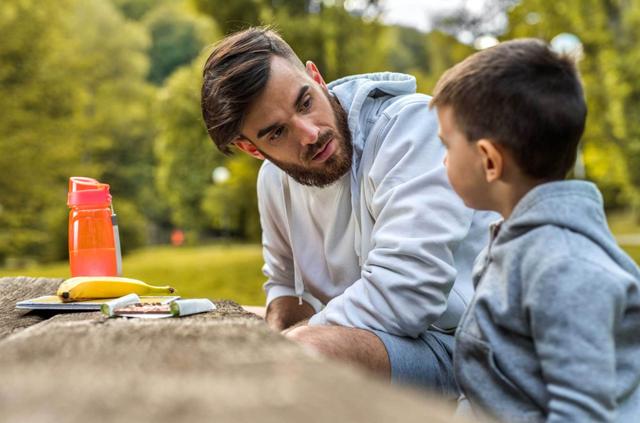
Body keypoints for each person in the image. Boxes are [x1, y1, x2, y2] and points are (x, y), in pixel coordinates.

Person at [201, 27, 495, 394]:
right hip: (386, 341)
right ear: (252, 149)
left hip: (470, 349)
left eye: (305, 102)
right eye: (277, 133)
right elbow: (283, 285)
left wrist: (297, 340)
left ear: (316, 78)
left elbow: (408, 294)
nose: (309, 134)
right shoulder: (273, 182)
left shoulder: (411, 128)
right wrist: (281, 329)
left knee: (302, 355)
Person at [430, 38, 640, 421]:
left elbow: (583, 414)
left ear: (489, 160)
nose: (443, 160)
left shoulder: (564, 266)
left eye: (447, 145)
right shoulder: (514, 241)